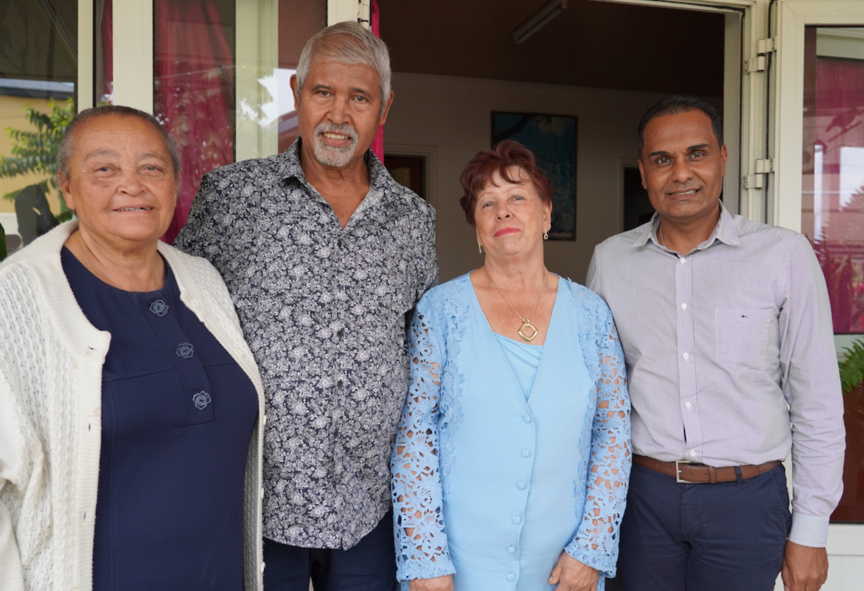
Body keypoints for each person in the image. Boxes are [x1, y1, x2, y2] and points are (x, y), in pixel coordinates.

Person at [175, 21, 438, 591]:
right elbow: (185, 328)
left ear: (384, 108)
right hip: (260, 499)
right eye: (324, 92)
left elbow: (418, 345)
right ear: (297, 92)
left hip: (370, 501)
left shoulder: (414, 220)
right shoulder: (232, 198)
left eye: (360, 98)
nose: (339, 114)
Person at [0, 105, 266, 590]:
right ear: (67, 186)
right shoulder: (15, 302)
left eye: (152, 168)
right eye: (104, 169)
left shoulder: (204, 281)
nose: (132, 185)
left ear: (175, 183)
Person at [587, 96, 846, 591]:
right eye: (663, 160)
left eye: (696, 154)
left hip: (747, 503)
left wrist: (811, 531)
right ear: (643, 172)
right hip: (642, 499)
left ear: (723, 158)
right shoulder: (611, 261)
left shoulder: (783, 256)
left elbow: (816, 405)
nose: (681, 173)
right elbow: (600, 397)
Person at [391, 140, 631, 591]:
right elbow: (414, 435)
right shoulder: (439, 311)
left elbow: (613, 432)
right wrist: (426, 559)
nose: (504, 211)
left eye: (518, 197)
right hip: (459, 568)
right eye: (488, 203)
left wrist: (591, 549)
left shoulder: (591, 314)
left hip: (563, 570)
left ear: (546, 216)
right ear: (478, 230)